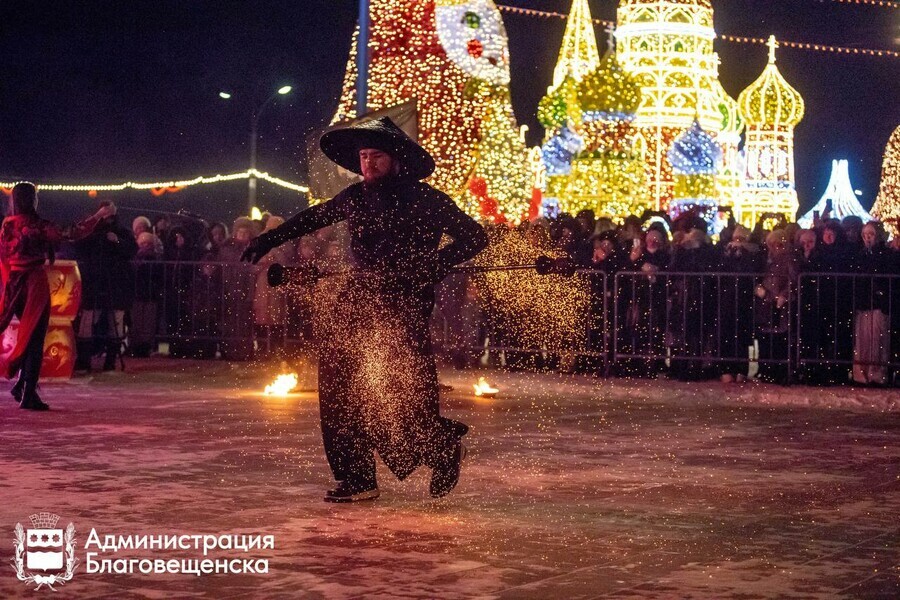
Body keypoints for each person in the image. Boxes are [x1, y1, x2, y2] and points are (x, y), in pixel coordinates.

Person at [242, 117, 488, 502]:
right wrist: (269, 238)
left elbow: (476, 236)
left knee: (399, 390)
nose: (368, 165)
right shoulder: (355, 197)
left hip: (405, 301)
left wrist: (435, 264)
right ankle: (357, 477)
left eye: (376, 156)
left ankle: (441, 447)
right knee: (340, 385)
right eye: (362, 157)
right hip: (357, 299)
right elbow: (314, 216)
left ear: (395, 159)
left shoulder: (426, 199)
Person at [0, 182, 113, 409]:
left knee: (28, 336)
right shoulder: (37, 225)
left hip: (15, 284)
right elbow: (71, 232)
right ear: (32, 200)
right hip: (34, 285)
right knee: (35, 338)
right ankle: (28, 392)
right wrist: (99, 215)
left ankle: (23, 385)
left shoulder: (7, 225)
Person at [72, 201, 138, 372]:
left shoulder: (123, 232)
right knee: (87, 321)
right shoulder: (92, 231)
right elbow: (76, 241)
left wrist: (117, 241)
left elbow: (132, 250)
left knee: (115, 322)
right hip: (94, 282)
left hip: (116, 283)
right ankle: (84, 360)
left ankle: (110, 361)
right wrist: (96, 218)